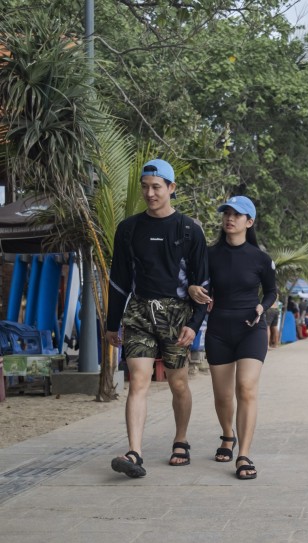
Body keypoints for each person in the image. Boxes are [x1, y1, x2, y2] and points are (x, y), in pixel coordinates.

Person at [106, 159, 209, 477]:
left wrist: (194, 325)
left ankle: (181, 440)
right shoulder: (128, 229)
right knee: (138, 382)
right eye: (145, 187)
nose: (150, 193)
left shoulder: (189, 230)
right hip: (137, 312)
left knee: (178, 383)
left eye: (157, 187)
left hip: (176, 315)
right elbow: (119, 279)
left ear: (171, 188)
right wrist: (112, 323)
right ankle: (134, 452)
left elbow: (203, 286)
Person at [187, 195, 276, 480]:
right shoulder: (210, 254)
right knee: (223, 395)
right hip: (219, 331)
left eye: (237, 215)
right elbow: (198, 285)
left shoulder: (261, 258)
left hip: (252, 328)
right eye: (227, 213)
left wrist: (264, 305)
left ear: (249, 222)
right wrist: (194, 290)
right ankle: (228, 435)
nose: (230, 218)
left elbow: (272, 291)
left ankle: (244, 455)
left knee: (246, 388)